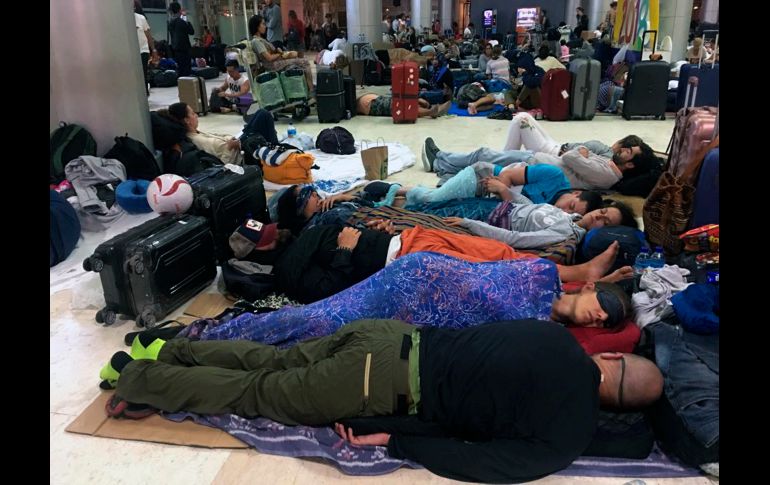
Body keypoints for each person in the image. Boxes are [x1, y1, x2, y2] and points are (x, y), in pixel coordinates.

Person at [102, 316, 662, 483]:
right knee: (254, 394)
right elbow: (477, 459)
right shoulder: (563, 441)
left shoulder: (553, 337)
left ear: (612, 360)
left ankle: (174, 353)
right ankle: (139, 378)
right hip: (371, 385)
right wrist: (395, 437)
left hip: (384, 337)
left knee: (274, 360)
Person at [500, 112, 658, 188]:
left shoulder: (607, 163)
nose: (621, 148)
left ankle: (504, 157)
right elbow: (578, 156)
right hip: (555, 148)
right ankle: (505, 157)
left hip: (553, 153)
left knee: (521, 119)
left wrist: (581, 152)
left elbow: (572, 157)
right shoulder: (609, 161)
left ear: (630, 164)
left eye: (627, 150)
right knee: (524, 117)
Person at [443, 198, 638, 249]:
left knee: (428, 207)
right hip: (497, 204)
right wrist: (506, 192)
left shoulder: (565, 233)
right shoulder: (572, 218)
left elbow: (516, 239)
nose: (597, 217)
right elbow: (533, 208)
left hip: (486, 217)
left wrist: (470, 223)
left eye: (605, 222)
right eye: (602, 212)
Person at [165, 101, 277, 166]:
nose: (196, 116)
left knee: (260, 115)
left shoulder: (196, 133)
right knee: (264, 115)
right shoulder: (197, 140)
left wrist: (234, 140)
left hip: (238, 143)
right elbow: (223, 163)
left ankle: (276, 148)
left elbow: (220, 138)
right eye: (193, 114)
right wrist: (235, 145)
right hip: (242, 156)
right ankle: (277, 151)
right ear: (186, 120)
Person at [248, 15, 314, 93]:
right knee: (305, 62)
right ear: (257, 27)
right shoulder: (256, 41)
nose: (265, 26)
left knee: (299, 58)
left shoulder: (260, 40)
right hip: (273, 65)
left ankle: (306, 89)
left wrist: (278, 51)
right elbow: (269, 58)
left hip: (275, 63)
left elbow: (270, 53)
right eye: (263, 24)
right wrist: (280, 54)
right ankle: (311, 90)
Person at [355, 93, 451, 118]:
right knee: (400, 107)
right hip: (371, 105)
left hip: (374, 99)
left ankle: (429, 109)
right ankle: (430, 112)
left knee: (401, 102)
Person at [134, 1, 156, 97]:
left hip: (143, 50)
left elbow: (148, 35)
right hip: (132, 52)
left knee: (143, 72)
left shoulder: (141, 18)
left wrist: (153, 49)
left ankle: (144, 94)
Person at [167, 2, 194, 77]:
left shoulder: (170, 23)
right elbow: (191, 31)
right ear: (180, 10)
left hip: (175, 49)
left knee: (181, 69)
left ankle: (182, 84)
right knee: (186, 69)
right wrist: (185, 18)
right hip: (184, 48)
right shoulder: (181, 22)